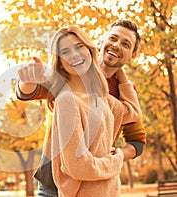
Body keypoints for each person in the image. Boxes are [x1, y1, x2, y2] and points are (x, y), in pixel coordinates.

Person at [16, 20, 146, 196]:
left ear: (133, 55)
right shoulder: (70, 73)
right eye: (113, 38)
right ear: (101, 42)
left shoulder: (122, 92)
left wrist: (118, 156)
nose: (116, 45)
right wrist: (26, 82)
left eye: (125, 44)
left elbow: (137, 138)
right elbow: (30, 91)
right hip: (55, 179)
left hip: (96, 180)